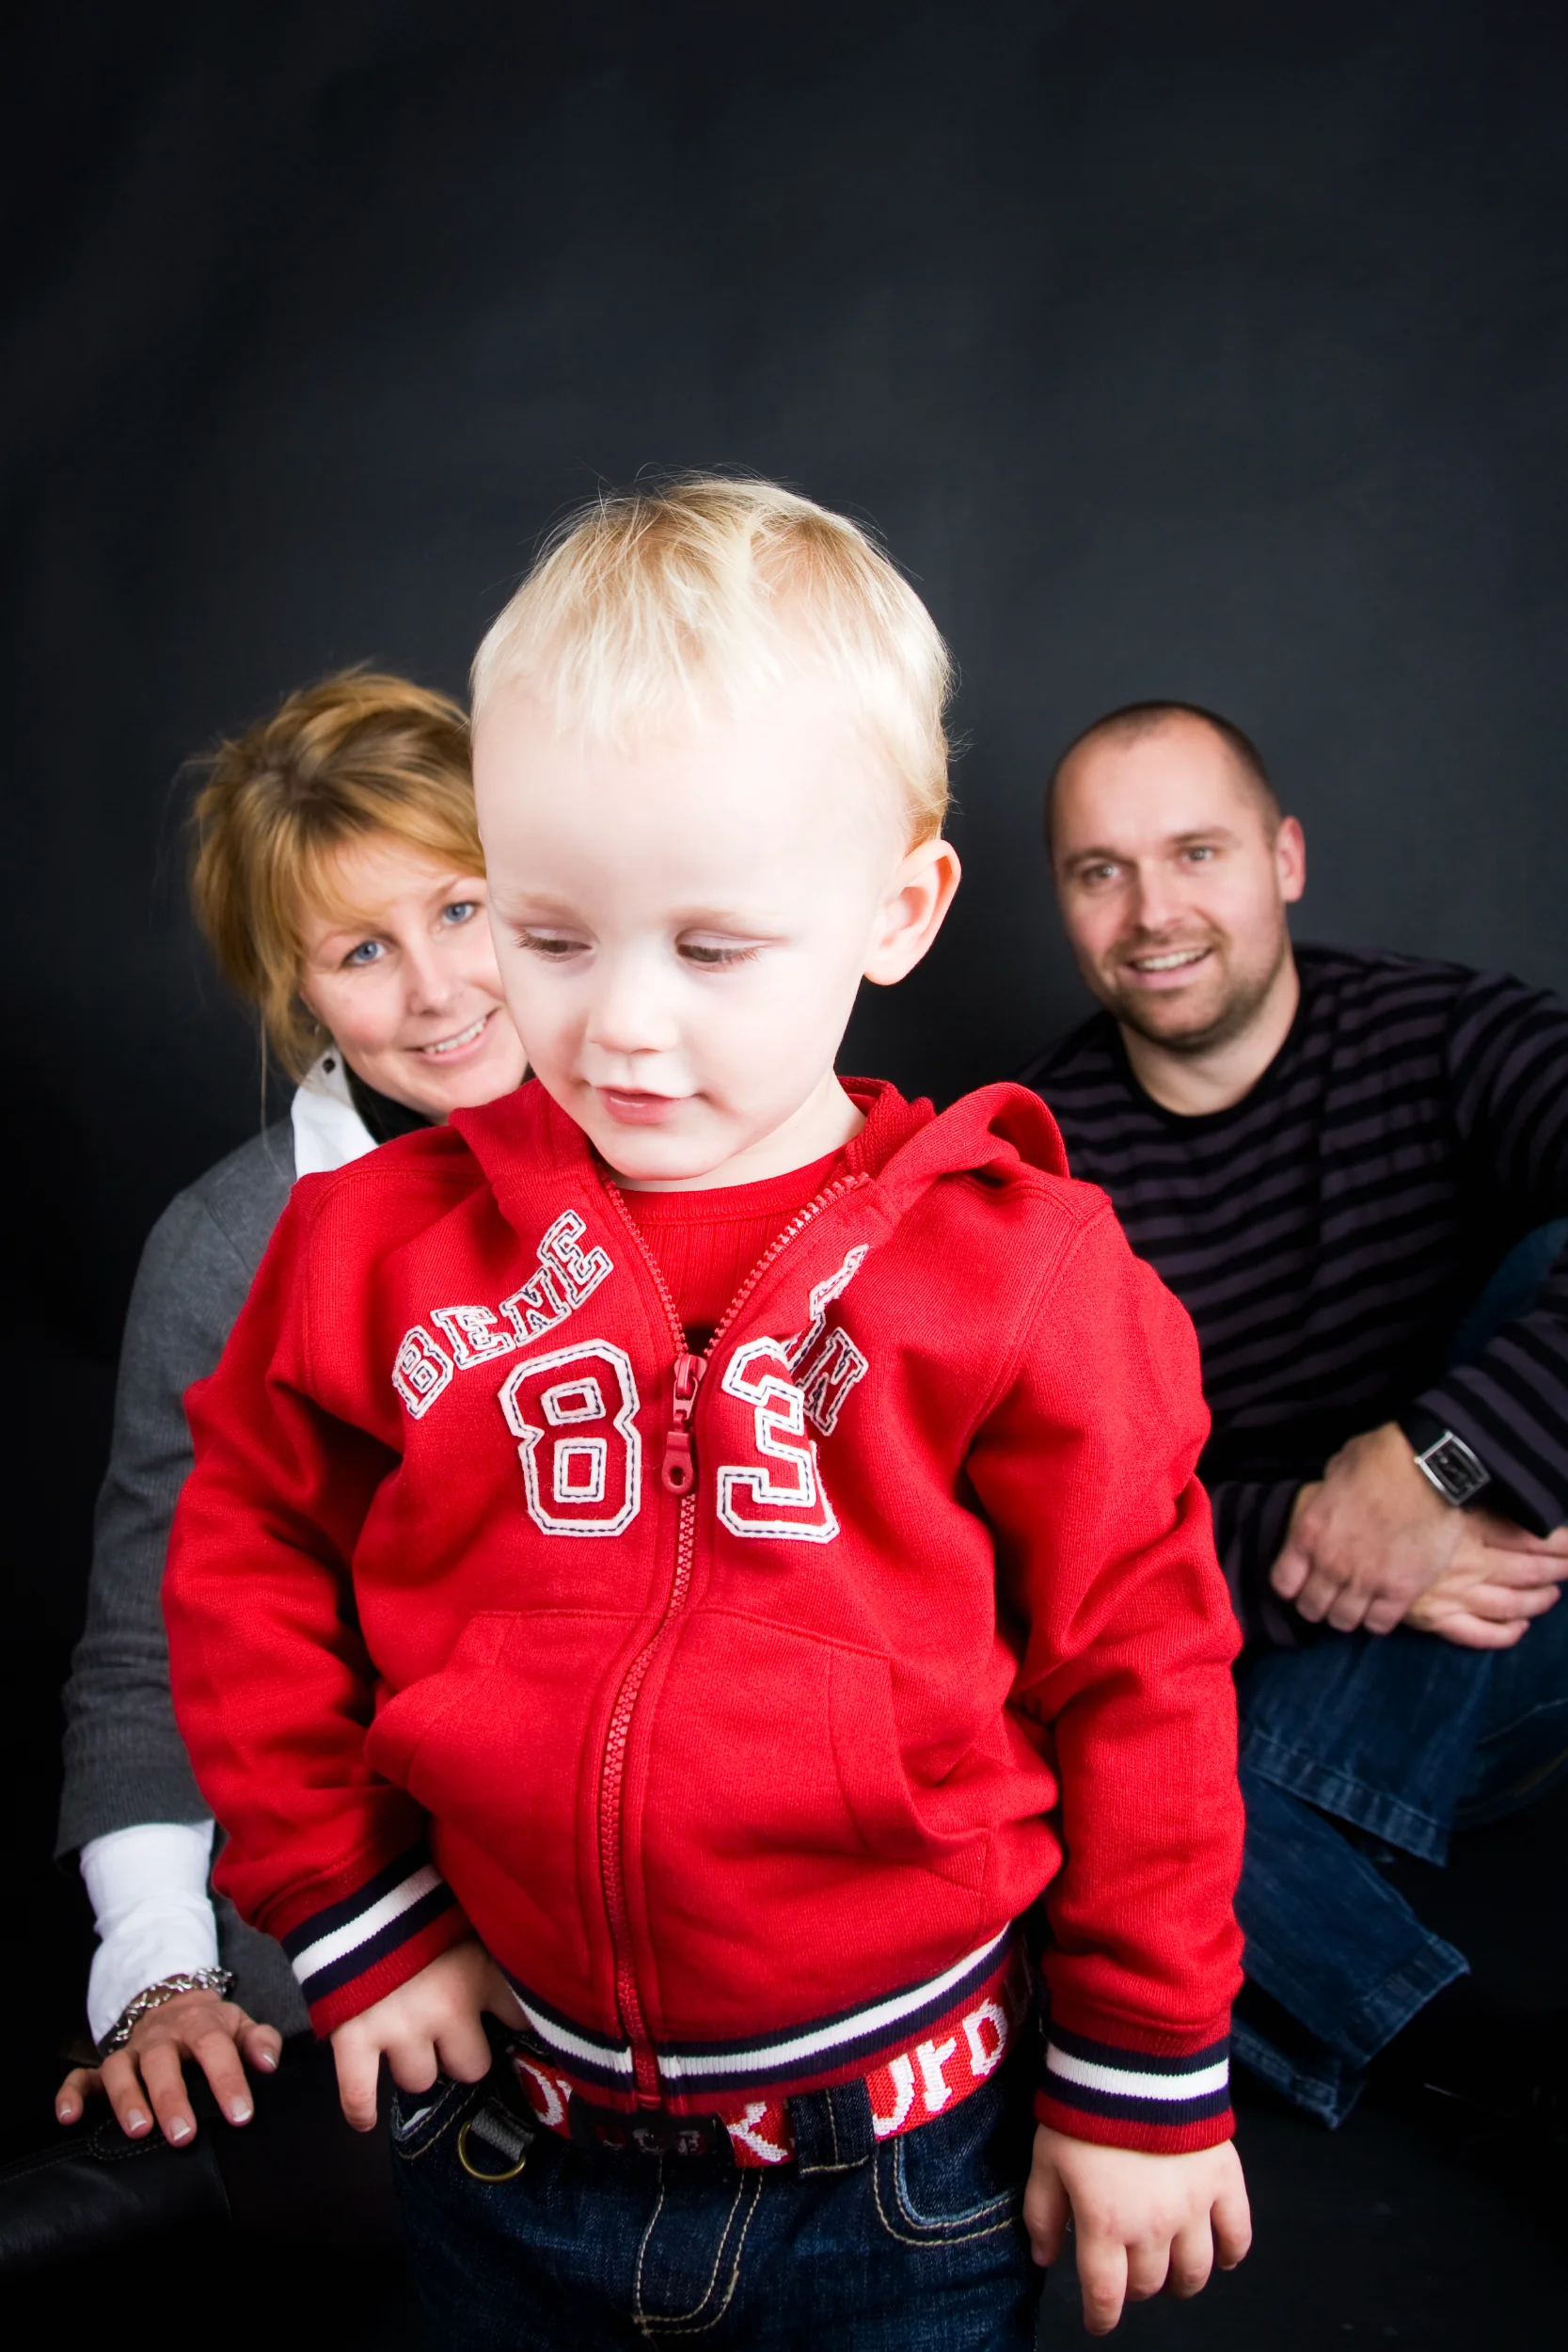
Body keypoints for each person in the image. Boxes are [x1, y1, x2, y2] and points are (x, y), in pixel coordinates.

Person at [162, 481, 1251, 2348]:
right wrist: (346, 1902)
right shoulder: (370, 1244)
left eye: (713, 947)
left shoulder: (1022, 1272)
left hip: (896, 2173)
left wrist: (1143, 2060)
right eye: (551, 932)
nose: (620, 1029)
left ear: (897, 908)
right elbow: (245, 1549)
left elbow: (1140, 1667)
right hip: (508, 2128)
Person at [1022, 699, 1568, 2128]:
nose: (1152, 912)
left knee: (1537, 1271)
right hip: (1263, 1660)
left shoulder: (1438, 1031)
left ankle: (1246, 1852)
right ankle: (1484, 2070)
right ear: (1064, 905)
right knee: (1089, 1776)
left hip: (1524, 1617)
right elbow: (1026, 1524)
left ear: (1284, 859)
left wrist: (1445, 1464)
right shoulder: (1039, 1171)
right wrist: (1321, 1527)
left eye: (1194, 852)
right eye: (1101, 871)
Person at [54, 671, 529, 2155]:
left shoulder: (681, 1132)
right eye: (363, 951)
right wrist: (158, 1980)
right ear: (295, 989)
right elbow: (150, 1651)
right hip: (369, 1938)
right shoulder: (227, 1248)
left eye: (463, 909)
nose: (439, 991)